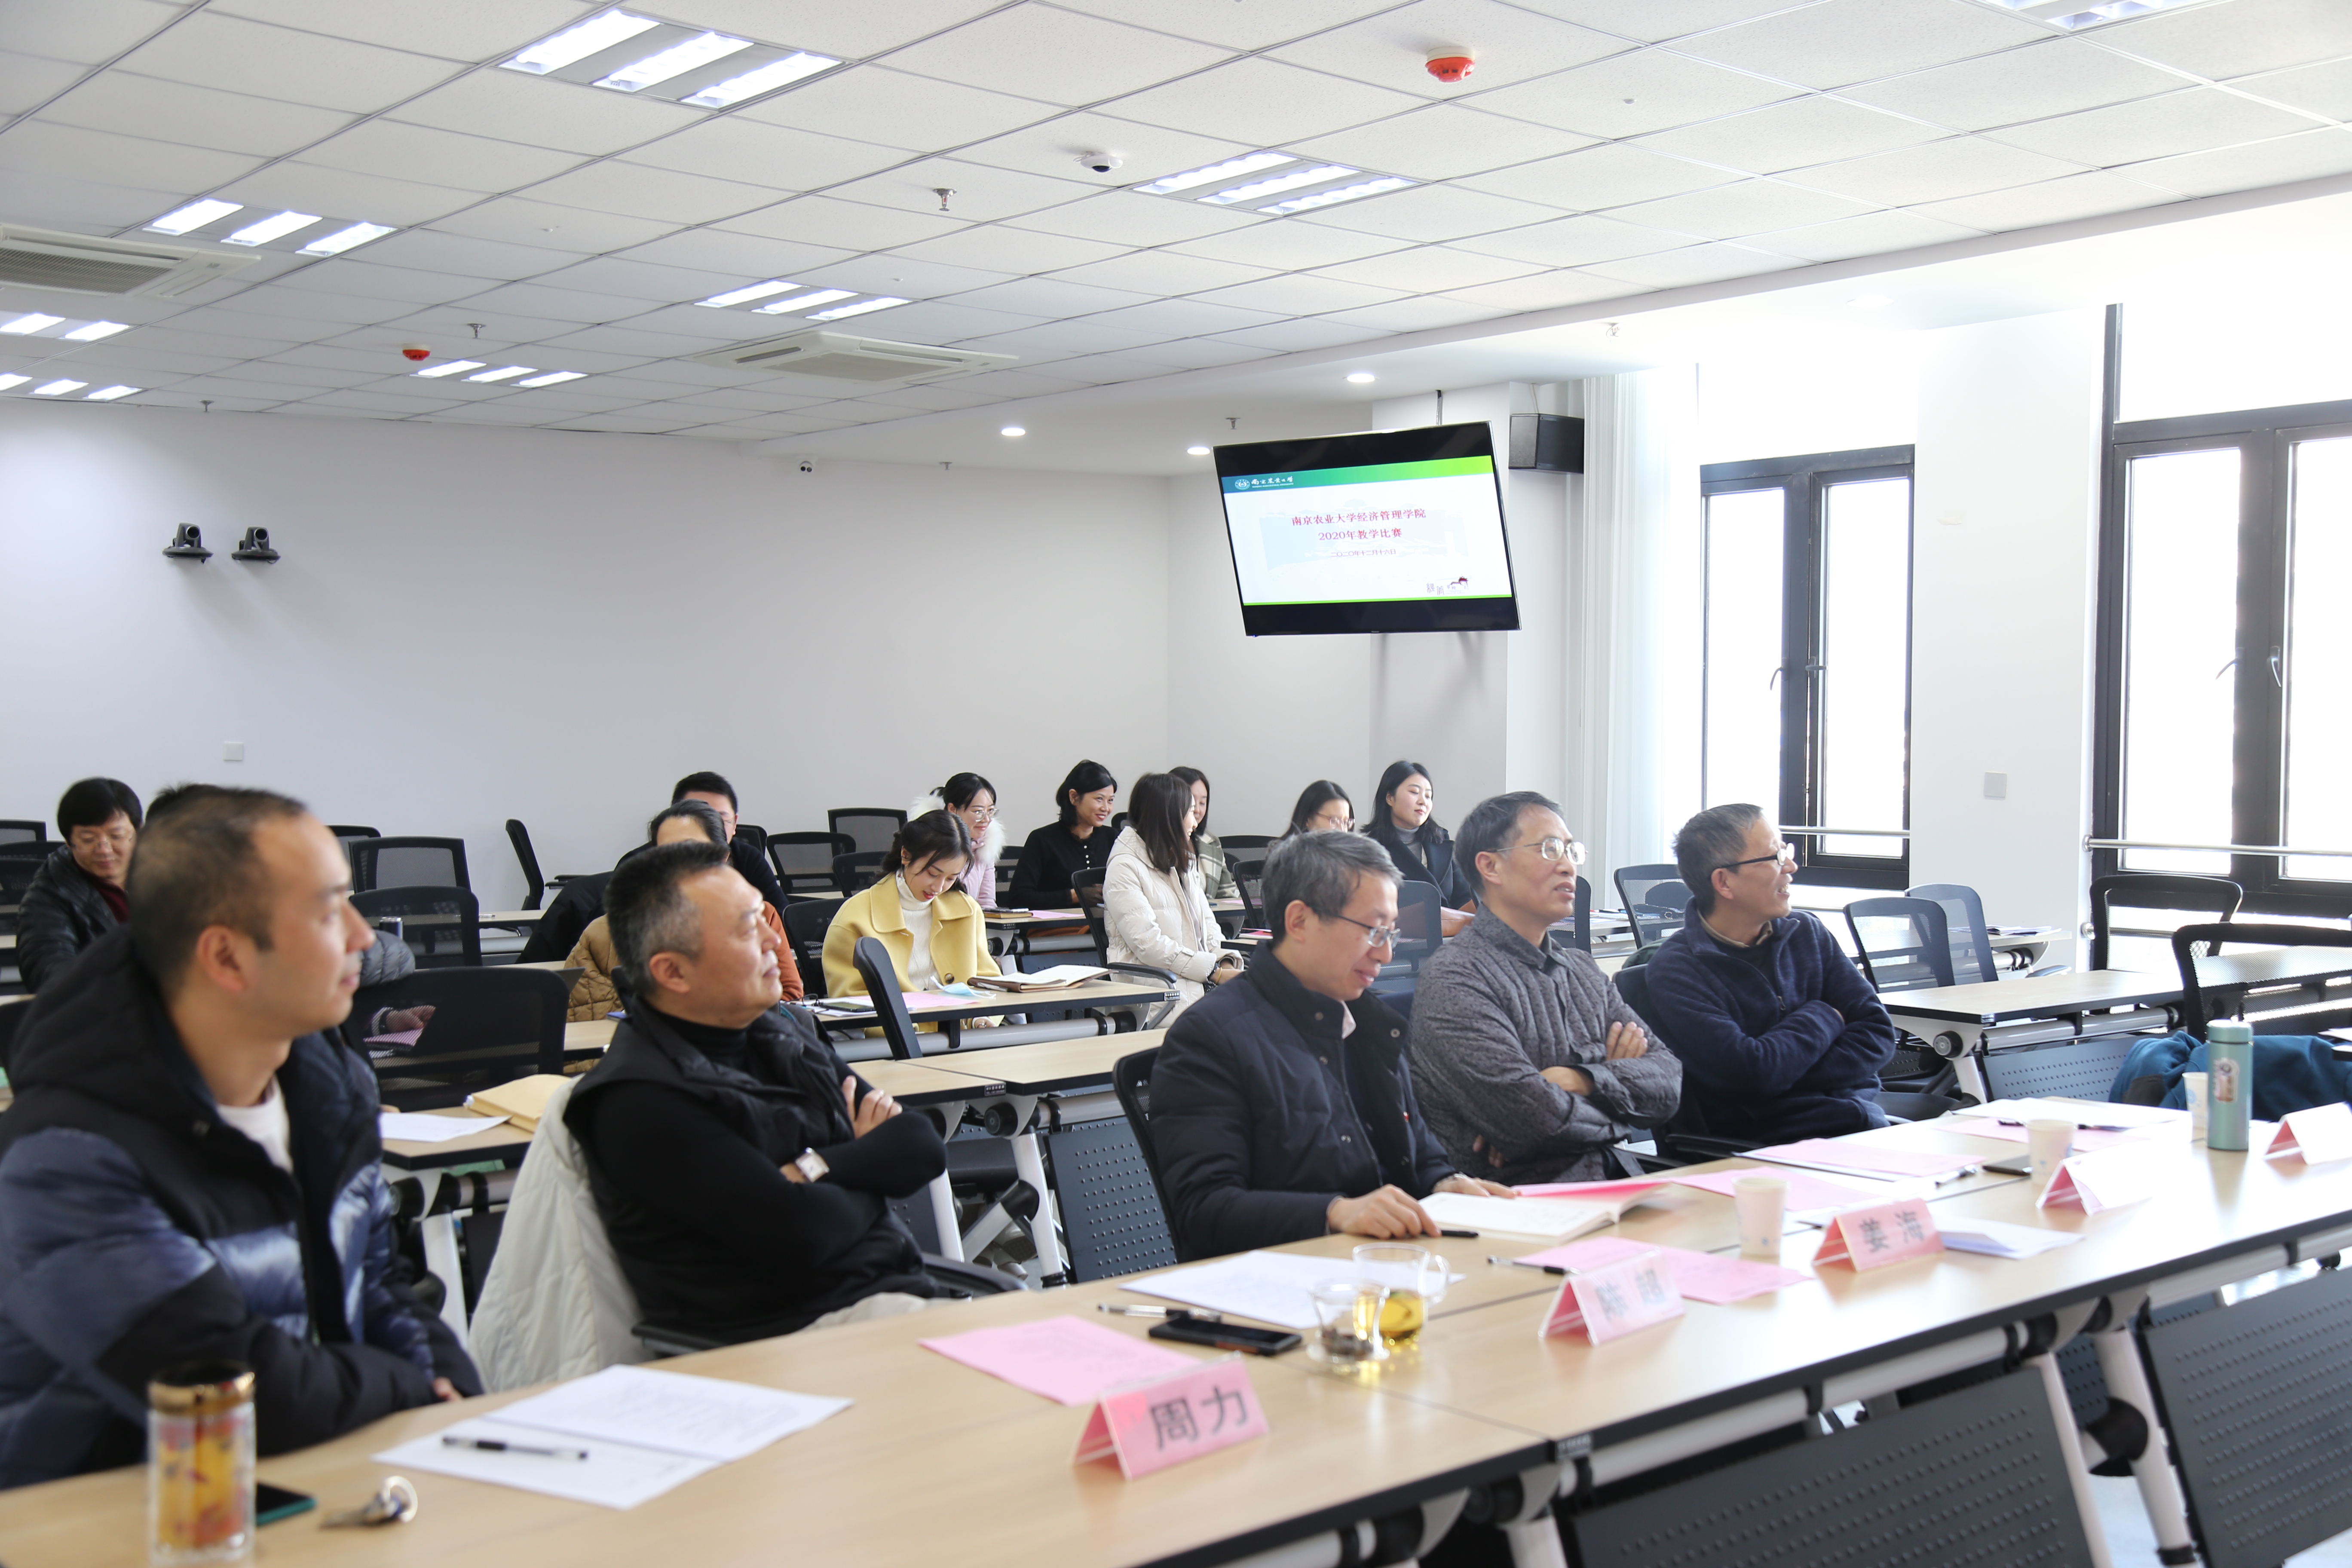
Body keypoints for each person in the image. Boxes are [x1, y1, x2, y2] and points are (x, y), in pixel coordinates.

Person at [0, 787, 477, 1487]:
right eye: (328, 911)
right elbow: (230, 1389)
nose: (362, 936)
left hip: (306, 1477)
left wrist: (449, 1384)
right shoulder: (64, 1157)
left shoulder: (328, 1089)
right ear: (225, 956)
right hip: (122, 1512)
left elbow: (380, 1281)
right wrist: (408, 1386)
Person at [565, 839, 948, 1341]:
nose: (775, 939)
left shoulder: (783, 1033)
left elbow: (920, 1145)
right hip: (786, 1343)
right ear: (672, 971)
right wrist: (864, 1160)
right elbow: (804, 1233)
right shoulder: (640, 1097)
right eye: (748, 928)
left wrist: (815, 1168)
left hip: (891, 1302)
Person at [1148, 829, 1514, 1260]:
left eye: (1391, 934)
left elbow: (1419, 1153)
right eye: (1373, 931)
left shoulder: (1369, 1022)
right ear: (1299, 921)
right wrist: (1335, 1212)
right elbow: (1203, 1212)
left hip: (1387, 1266)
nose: (1386, 955)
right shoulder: (1210, 1039)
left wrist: (1445, 1183)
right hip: (1287, 1280)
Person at [1409, 793, 1682, 1184]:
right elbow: (1533, 1122)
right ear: (1491, 866)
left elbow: (1669, 1083)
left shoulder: (1583, 971)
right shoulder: (1456, 979)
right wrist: (1620, 1100)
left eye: (1572, 850)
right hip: (1522, 1203)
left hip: (1618, 1183)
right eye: (1550, 849)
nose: (1568, 865)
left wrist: (1583, 1080)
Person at [1643, 804, 1898, 1143]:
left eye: (1786, 852)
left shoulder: (1807, 933)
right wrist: (1824, 1015)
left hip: (1851, 1119)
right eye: (1776, 857)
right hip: (1756, 1145)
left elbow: (1878, 1034)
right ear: (1724, 882)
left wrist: (1783, 1073)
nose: (1791, 867)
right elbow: (1751, 1075)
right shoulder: (1678, 969)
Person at [567, 802, 802, 1021]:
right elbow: (585, 1017)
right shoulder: (604, 933)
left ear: (723, 856)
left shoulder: (761, 915)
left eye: (691, 850)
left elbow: (789, 995)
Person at [822, 812, 1001, 1009]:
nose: (939, 887)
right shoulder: (855, 917)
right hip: (897, 1027)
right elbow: (851, 998)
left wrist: (979, 1020)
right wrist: (909, 1027)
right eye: (933, 874)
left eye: (951, 878)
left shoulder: (968, 910)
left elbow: (989, 983)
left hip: (962, 1025)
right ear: (906, 855)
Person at [1103, 773, 1242, 1020]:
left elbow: (1208, 926)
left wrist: (1225, 964)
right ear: (1168, 817)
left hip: (1197, 986)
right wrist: (1215, 973)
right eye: (1190, 812)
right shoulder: (1124, 867)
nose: (1195, 822)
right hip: (1158, 993)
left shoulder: (1182, 862)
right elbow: (1149, 944)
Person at [15, 777, 140, 992]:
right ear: (69, 842)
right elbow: (49, 970)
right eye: (89, 840)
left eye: (116, 836)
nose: (104, 850)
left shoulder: (167, 876)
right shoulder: (48, 895)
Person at [1365, 760, 1474, 936]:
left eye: (1429, 796)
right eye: (1414, 792)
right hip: (1403, 947)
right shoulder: (1370, 851)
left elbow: (1464, 899)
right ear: (1390, 798)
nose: (1423, 802)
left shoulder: (1443, 843)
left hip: (1452, 943)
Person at [671, 770, 787, 911]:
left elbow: (780, 914)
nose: (711, 828)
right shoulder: (649, 862)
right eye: (698, 819)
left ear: (734, 824)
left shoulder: (748, 857)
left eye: (721, 819)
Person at [1009, 760, 1118, 909]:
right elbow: (1018, 898)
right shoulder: (1042, 840)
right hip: (1056, 923)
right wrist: (1075, 895)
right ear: (1074, 797)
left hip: (1104, 922)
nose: (1106, 808)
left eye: (1110, 801)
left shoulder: (1113, 838)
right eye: (1099, 799)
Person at [907, 772, 1003, 910]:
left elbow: (986, 903)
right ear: (953, 809)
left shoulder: (984, 846)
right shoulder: (930, 844)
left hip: (969, 920)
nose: (986, 819)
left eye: (991, 811)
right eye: (978, 812)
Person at [1168, 766, 1240, 902]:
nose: (1197, 810)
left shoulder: (1210, 842)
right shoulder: (1158, 842)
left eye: (1203, 803)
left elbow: (1228, 894)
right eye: (1191, 802)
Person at [1277, 779, 1355, 839]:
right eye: (1334, 821)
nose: (1342, 830)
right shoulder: (1284, 854)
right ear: (1308, 820)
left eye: (1346, 822)